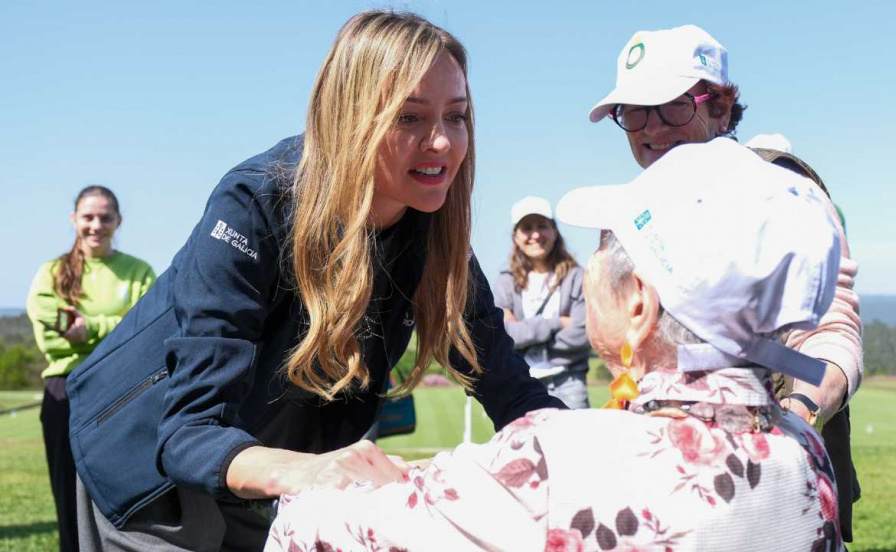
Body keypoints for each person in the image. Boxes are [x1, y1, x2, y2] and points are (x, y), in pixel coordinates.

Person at [66, 11, 564, 551]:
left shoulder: (435, 231)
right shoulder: (255, 203)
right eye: (409, 118)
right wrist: (312, 472)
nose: (441, 143)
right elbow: (189, 431)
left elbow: (509, 386)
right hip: (151, 473)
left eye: (457, 116)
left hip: (275, 473)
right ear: (351, 117)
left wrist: (597, 450)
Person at [264, 138, 843, 552]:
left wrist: (385, 489)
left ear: (639, 306)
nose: (590, 265)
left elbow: (305, 526)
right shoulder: (805, 451)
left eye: (606, 245)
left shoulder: (557, 460)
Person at [588, 25, 863, 542]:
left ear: (718, 106)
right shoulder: (627, 206)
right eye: (633, 111)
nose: (649, 128)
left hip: (775, 487)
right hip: (654, 488)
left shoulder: (781, 192)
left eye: (670, 106)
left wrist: (791, 419)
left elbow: (829, 339)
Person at [26, 185, 156, 552]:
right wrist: (114, 327)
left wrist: (91, 328)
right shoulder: (51, 273)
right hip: (64, 389)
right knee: (67, 490)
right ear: (74, 220)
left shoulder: (139, 272)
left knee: (120, 490)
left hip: (122, 390)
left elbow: (145, 330)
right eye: (88, 217)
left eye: (105, 217)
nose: (96, 225)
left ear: (118, 221)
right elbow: (51, 339)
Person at [493, 196, 590, 409]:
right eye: (527, 228)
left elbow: (581, 335)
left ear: (554, 231)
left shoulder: (577, 277)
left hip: (569, 384)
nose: (535, 235)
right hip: (521, 384)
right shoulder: (505, 281)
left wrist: (525, 334)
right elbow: (504, 335)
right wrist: (556, 323)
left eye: (542, 226)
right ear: (515, 236)